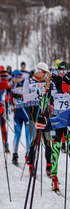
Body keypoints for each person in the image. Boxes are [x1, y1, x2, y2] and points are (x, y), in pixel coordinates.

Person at [23, 62, 54, 176]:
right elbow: (25, 97)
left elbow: (53, 95)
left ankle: (48, 166)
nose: (45, 74)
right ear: (38, 71)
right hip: (33, 113)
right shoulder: (29, 81)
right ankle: (31, 166)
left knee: (47, 141)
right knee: (34, 142)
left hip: (45, 114)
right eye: (44, 72)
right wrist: (36, 93)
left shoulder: (48, 82)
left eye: (46, 73)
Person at [48, 61, 70, 191]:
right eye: (60, 71)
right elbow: (46, 98)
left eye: (65, 71)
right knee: (55, 148)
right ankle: (54, 177)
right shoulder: (53, 82)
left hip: (68, 119)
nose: (62, 73)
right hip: (56, 119)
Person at [9, 70, 30, 166]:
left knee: (28, 134)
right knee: (17, 134)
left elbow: (29, 96)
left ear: (16, 76)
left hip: (26, 110)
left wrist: (20, 96)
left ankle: (28, 154)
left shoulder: (26, 83)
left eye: (12, 77)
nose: (12, 79)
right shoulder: (13, 86)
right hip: (18, 112)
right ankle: (15, 154)